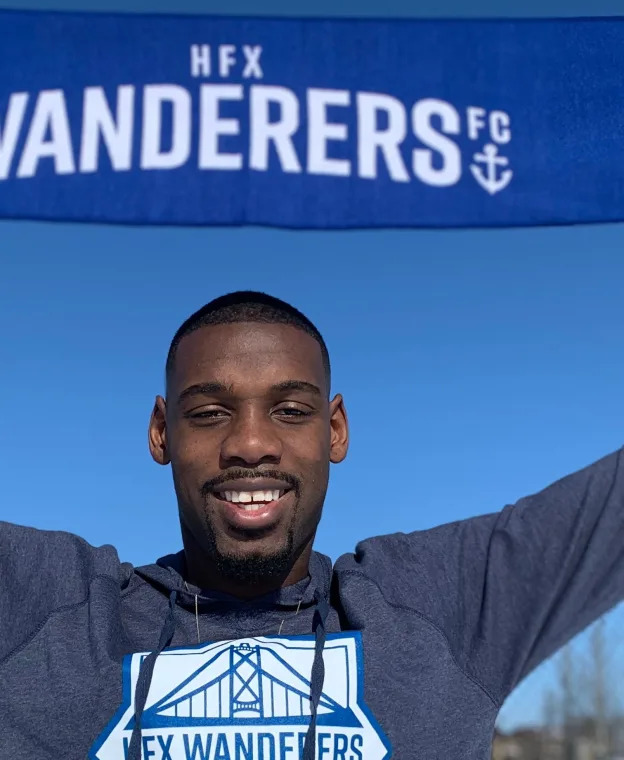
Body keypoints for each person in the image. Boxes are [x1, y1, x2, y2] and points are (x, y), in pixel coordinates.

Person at [1, 290, 623, 760]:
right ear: (163, 433)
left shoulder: (440, 604)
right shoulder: (48, 607)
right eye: (210, 412)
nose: (250, 444)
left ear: (335, 430)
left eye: (291, 410)